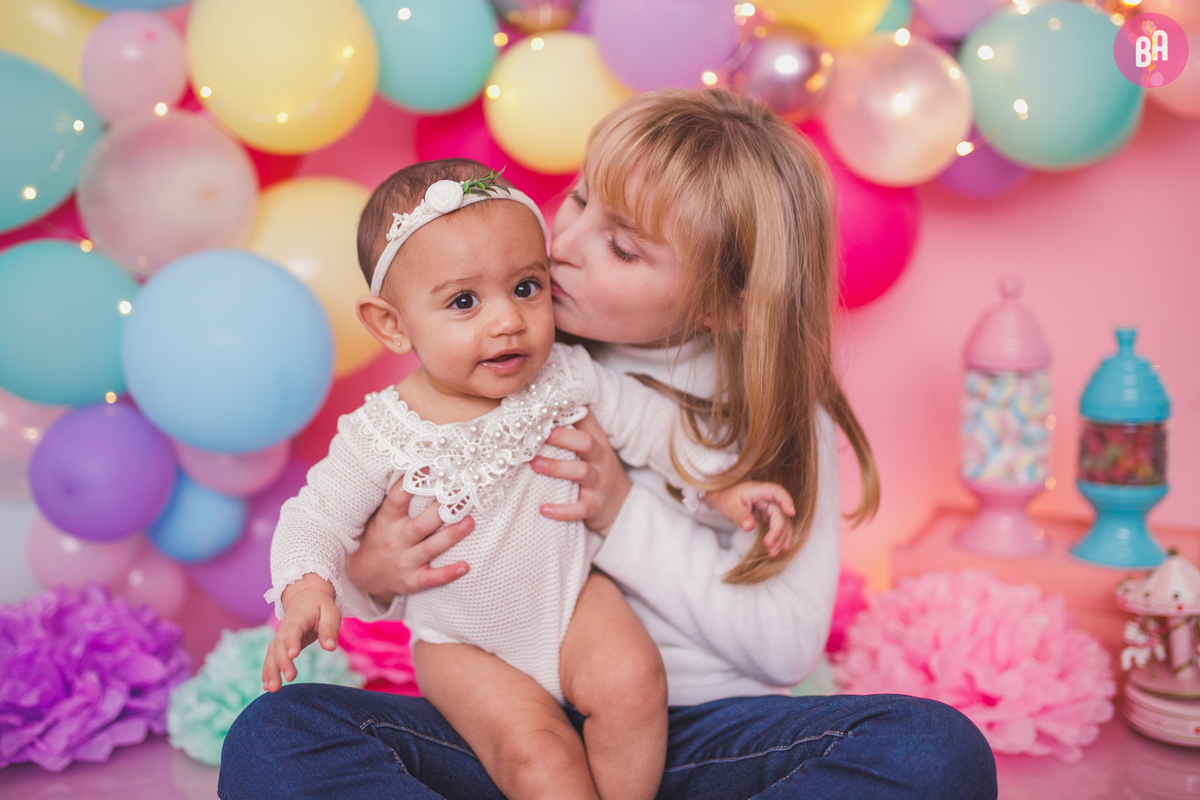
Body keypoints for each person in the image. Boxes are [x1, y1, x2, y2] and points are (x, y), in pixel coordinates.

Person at [219, 88, 998, 800]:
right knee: (275, 735)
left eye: (622, 249)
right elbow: (370, 522)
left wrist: (621, 510)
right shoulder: (508, 349)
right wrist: (370, 573)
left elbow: (786, 647)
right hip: (502, 717)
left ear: (725, 306)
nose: (564, 246)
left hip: (700, 739)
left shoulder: (770, 413)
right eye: (580, 198)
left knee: (934, 751)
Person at [258, 157, 798, 800]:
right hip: (463, 646)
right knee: (538, 756)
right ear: (392, 325)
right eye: (464, 301)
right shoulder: (383, 432)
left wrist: (723, 485)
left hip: (572, 601)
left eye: (525, 287)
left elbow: (654, 428)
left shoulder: (565, 375)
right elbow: (316, 517)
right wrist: (306, 587)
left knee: (633, 682)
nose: (508, 321)